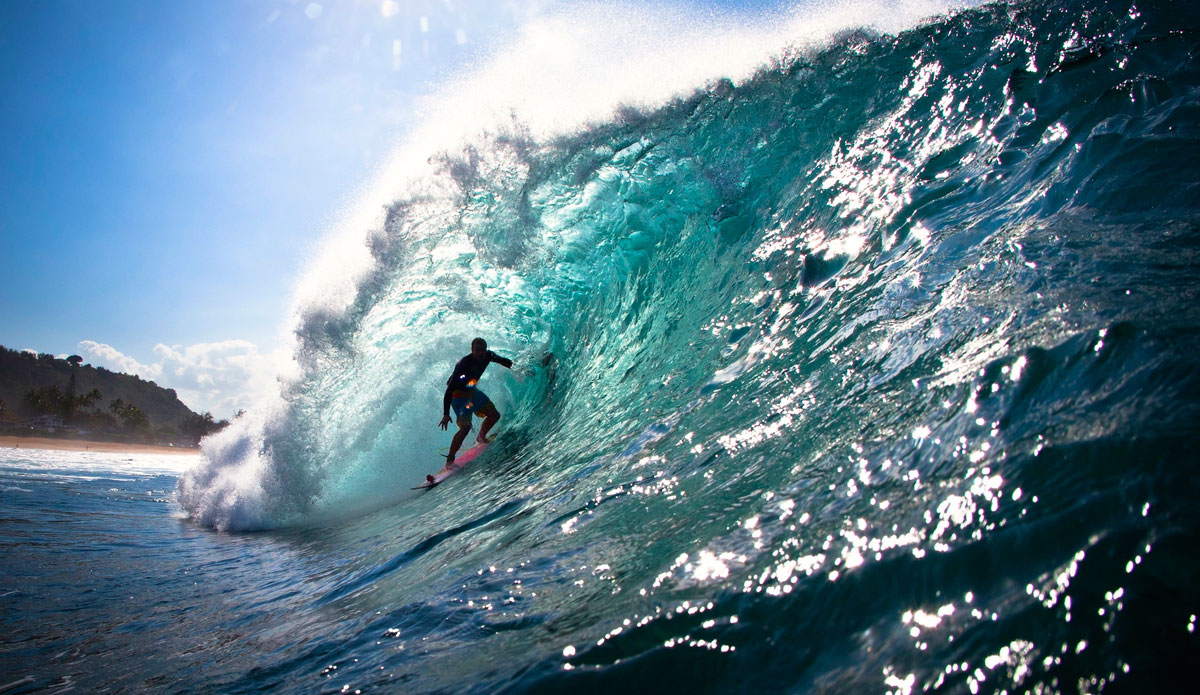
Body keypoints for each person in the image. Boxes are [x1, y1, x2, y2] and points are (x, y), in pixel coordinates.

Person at [438, 337, 513, 467]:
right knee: (466, 427)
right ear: (472, 350)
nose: (481, 353)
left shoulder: (488, 355)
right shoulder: (463, 364)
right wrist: (446, 414)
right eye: (477, 350)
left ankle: (481, 437)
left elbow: (504, 362)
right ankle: (450, 460)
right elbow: (449, 389)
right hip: (457, 394)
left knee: (494, 415)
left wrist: (520, 367)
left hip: (472, 392)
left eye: (483, 350)